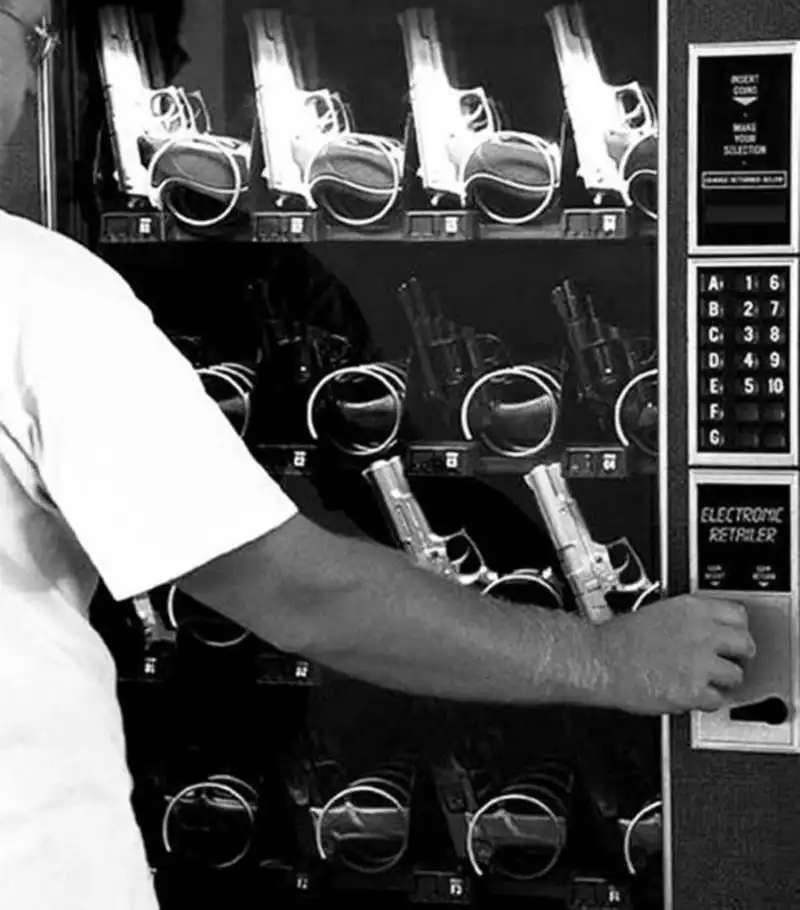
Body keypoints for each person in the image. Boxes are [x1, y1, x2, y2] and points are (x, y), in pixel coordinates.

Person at [0, 2, 755, 909]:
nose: (49, 85)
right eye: (38, 41)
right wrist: (608, 657)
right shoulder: (44, 296)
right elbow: (298, 592)